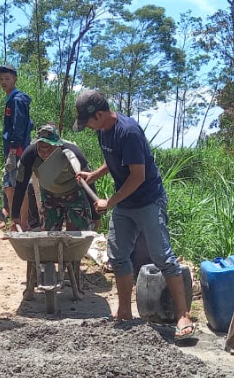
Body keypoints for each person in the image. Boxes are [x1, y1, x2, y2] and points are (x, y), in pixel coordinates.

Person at [73, 90, 194, 338]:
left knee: (162, 256)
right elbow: (115, 160)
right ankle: (125, 311)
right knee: (117, 255)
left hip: (148, 200)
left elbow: (137, 176)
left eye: (89, 122)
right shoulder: (103, 130)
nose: (88, 128)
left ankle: (183, 316)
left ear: (99, 114)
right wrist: (94, 175)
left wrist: (110, 201)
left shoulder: (128, 131)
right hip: (126, 203)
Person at [11, 123, 98, 232]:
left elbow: (89, 183)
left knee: (75, 235)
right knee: (49, 235)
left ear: (57, 145)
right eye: (41, 149)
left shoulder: (73, 153)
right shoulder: (29, 155)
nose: (44, 153)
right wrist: (14, 217)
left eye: (49, 149)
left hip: (74, 194)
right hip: (49, 194)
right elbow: (20, 186)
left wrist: (96, 216)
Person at [0, 63, 33, 230]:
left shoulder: (17, 100)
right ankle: (14, 222)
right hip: (12, 149)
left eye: (7, 79)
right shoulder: (11, 98)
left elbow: (19, 126)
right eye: (1, 79)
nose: (3, 82)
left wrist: (13, 147)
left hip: (17, 150)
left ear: (15, 79)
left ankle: (22, 224)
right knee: (9, 186)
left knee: (19, 187)